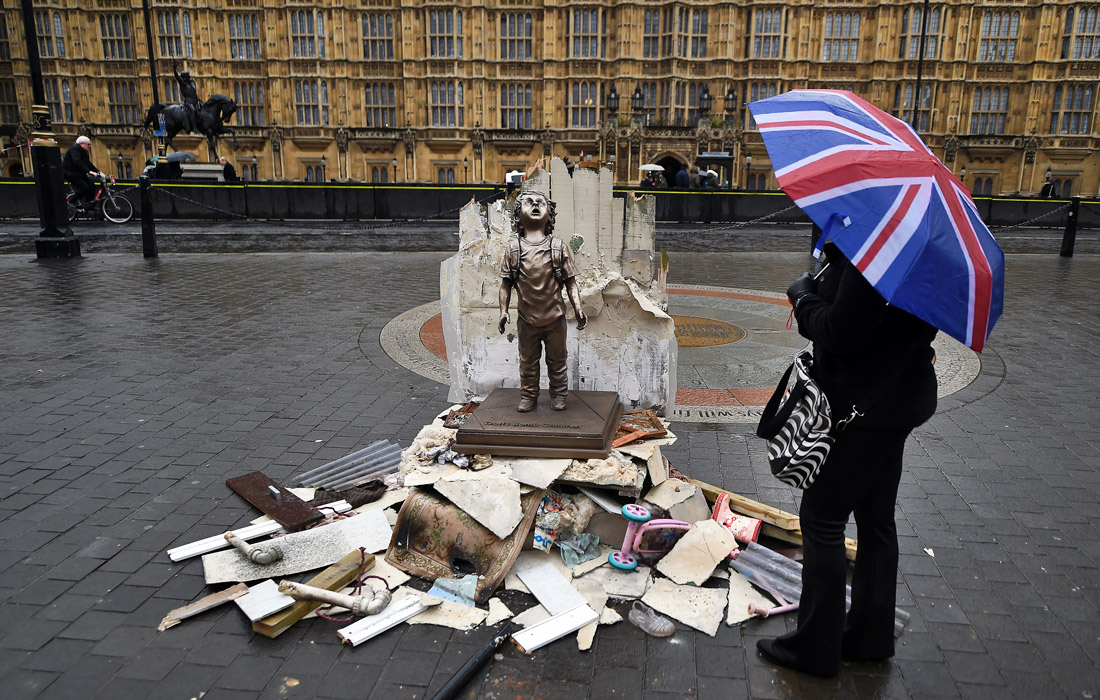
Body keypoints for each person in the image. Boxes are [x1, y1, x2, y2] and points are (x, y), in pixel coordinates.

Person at [757, 240, 938, 678]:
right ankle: (870, 638)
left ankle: (815, 649)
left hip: (859, 410)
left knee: (823, 520)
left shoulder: (875, 250)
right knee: (877, 521)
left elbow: (843, 331)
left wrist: (803, 299)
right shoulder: (924, 250)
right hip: (896, 403)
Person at [498, 190, 587, 413]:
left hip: (555, 318)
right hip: (526, 319)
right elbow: (505, 285)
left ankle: (559, 395)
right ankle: (528, 396)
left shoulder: (558, 247)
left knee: (557, 361)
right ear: (519, 215)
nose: (536, 205)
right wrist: (503, 311)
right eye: (529, 203)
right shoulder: (514, 249)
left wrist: (578, 308)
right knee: (528, 362)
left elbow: (571, 282)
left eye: (541, 203)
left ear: (550, 214)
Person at [62, 135, 105, 207]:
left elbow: (88, 163)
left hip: (79, 174)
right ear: (82, 144)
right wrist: (89, 172)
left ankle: (87, 205)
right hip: (71, 174)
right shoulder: (74, 149)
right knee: (84, 188)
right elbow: (78, 162)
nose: (89, 146)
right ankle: (71, 202)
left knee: (92, 186)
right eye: (88, 144)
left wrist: (97, 171)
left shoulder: (84, 151)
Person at [174, 62, 201, 134]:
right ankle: (194, 127)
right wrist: (174, 68)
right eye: (188, 75)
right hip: (188, 102)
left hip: (195, 100)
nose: (189, 76)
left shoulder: (192, 83)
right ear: (185, 77)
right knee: (193, 110)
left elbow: (194, 93)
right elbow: (177, 77)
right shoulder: (183, 84)